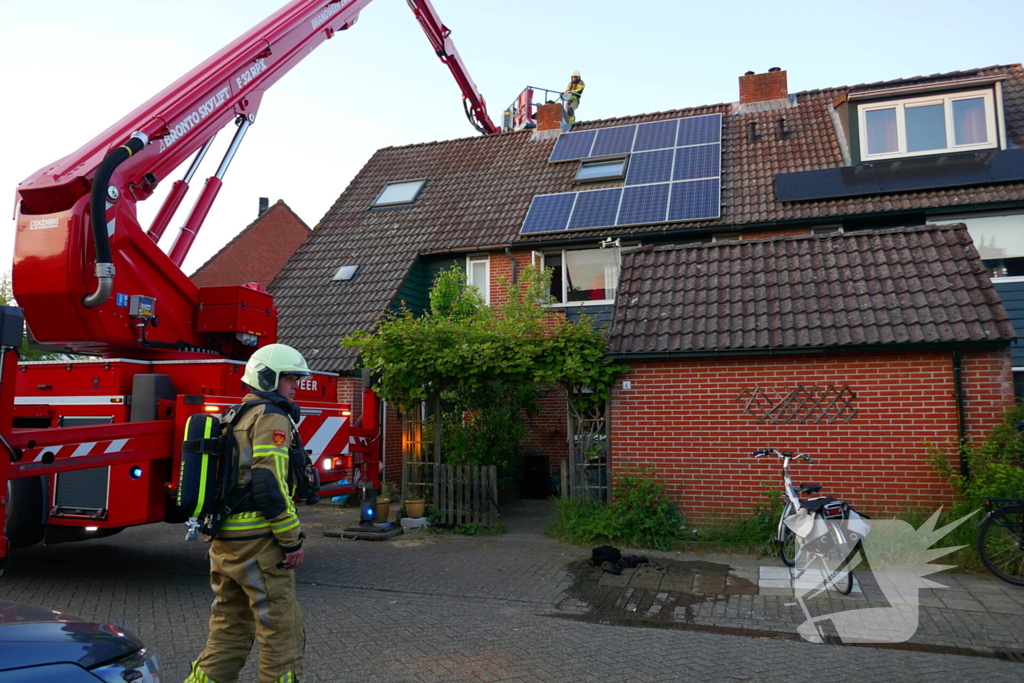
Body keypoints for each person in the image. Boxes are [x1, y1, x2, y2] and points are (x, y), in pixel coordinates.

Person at [185, 343, 312, 683]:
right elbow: (269, 482)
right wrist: (291, 540)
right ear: (268, 378)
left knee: (229, 628)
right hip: (259, 545)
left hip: (226, 540)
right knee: (281, 634)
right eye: (288, 379)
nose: (295, 386)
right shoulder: (271, 416)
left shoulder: (235, 414)